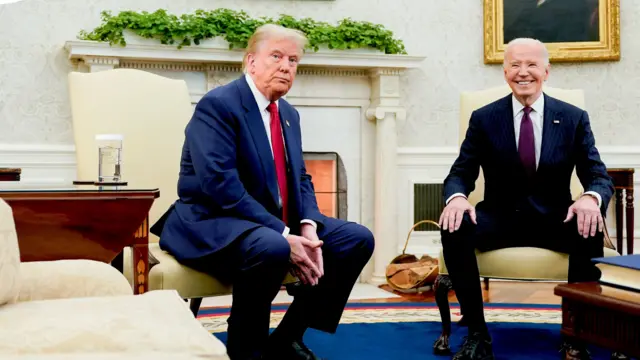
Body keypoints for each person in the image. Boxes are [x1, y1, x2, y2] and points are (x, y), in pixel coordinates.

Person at [150, 24, 374, 360]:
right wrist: (285, 233)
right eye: (277, 56)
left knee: (356, 238)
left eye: (294, 60)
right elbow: (219, 185)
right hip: (212, 219)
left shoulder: (288, 114)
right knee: (271, 245)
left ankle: (286, 339)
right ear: (251, 61)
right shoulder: (219, 105)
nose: (286, 66)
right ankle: (246, 347)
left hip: (265, 222)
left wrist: (308, 227)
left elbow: (300, 177)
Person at [438, 38, 613, 360]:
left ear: (546, 71)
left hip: (554, 218)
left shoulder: (573, 117)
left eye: (531, 65)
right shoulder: (485, 118)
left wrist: (590, 198)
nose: (523, 72)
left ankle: (575, 334)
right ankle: (477, 333)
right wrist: (457, 198)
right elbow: (460, 173)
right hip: (499, 217)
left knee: (588, 225)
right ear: (505, 71)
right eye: (515, 65)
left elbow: (598, 175)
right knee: (454, 225)